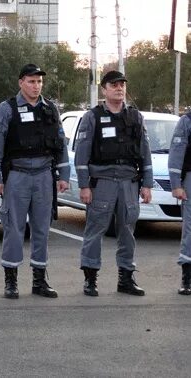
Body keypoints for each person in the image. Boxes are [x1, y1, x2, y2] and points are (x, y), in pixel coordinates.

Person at [0, 63, 69, 299]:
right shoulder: (7, 109)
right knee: (14, 228)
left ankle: (39, 280)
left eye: (40, 82)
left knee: (42, 228)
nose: (36, 86)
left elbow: (60, 144)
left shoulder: (50, 109)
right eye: (32, 81)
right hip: (18, 175)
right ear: (21, 82)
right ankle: (11, 280)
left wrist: (63, 175)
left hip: (44, 175)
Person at [75, 70, 152, 296]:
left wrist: (147, 184)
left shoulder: (136, 117)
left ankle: (126, 278)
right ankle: (90, 278)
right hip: (103, 181)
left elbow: (145, 153)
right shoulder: (92, 117)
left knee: (127, 230)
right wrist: (84, 185)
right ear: (104, 89)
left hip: (129, 182)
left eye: (122, 84)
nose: (119, 88)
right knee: (95, 229)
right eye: (113, 84)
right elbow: (82, 154)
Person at [167, 113, 191, 295]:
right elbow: (176, 153)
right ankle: (187, 279)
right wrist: (176, 184)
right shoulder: (187, 120)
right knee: (190, 230)